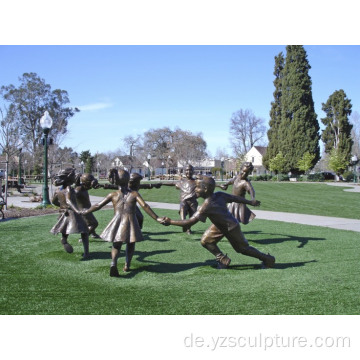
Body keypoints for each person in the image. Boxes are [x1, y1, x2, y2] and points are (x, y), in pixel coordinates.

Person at [161, 176, 275, 269]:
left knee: (242, 249)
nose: (194, 189)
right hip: (219, 226)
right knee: (206, 241)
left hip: (231, 227)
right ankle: (223, 259)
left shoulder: (206, 206)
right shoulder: (219, 194)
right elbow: (236, 198)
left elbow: (189, 222)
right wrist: (250, 202)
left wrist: (170, 221)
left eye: (197, 187)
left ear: (205, 189)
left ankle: (267, 259)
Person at [81, 169, 165, 277]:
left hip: (117, 220)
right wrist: (156, 218)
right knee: (131, 243)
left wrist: (85, 211)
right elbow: (145, 206)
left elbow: (98, 205)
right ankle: (127, 265)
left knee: (117, 244)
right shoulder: (134, 194)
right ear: (127, 180)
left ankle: (113, 262)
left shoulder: (113, 194)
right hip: (130, 220)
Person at [50, 168, 90, 259]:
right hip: (72, 212)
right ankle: (86, 253)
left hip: (63, 212)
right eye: (73, 176)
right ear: (69, 178)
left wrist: (61, 207)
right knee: (85, 231)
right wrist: (77, 210)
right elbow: (68, 201)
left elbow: (54, 201)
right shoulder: (69, 189)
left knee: (65, 228)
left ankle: (64, 239)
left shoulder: (58, 190)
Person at [162, 164, 198, 234]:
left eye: (190, 170)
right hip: (184, 201)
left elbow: (208, 185)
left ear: (193, 171)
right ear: (184, 171)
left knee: (192, 217)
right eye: (187, 170)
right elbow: (172, 183)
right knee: (182, 207)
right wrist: (161, 183)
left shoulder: (196, 182)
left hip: (193, 202)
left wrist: (219, 185)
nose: (188, 172)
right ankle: (184, 224)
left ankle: (188, 228)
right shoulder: (182, 181)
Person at [74, 173, 102, 239]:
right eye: (91, 181)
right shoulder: (78, 190)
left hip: (87, 209)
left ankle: (93, 233)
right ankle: (83, 238)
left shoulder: (84, 187)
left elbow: (87, 188)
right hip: (83, 210)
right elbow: (72, 198)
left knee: (90, 222)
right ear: (85, 183)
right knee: (94, 223)